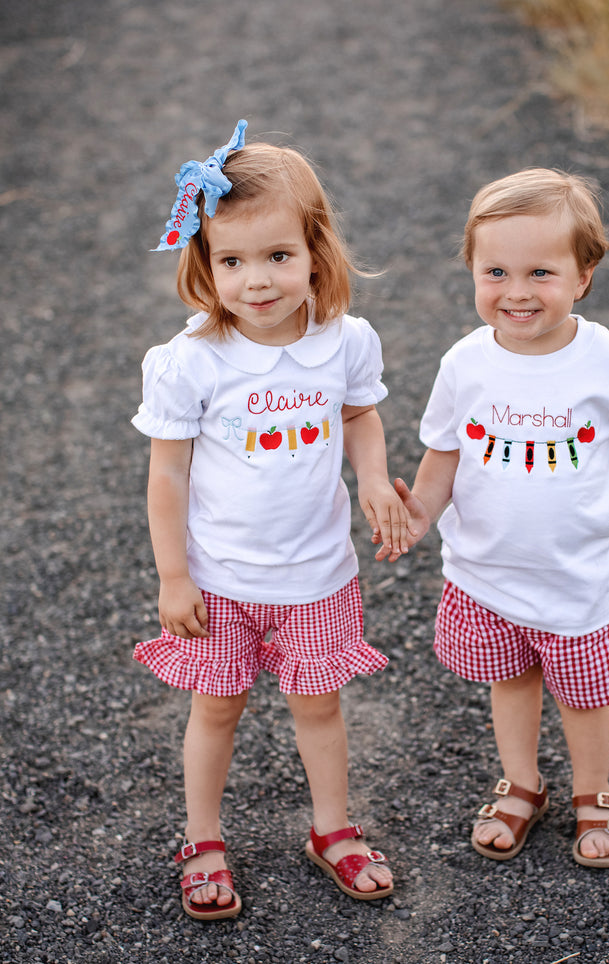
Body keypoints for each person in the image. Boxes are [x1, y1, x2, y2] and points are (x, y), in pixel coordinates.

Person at [133, 121, 408, 920]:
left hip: (316, 573)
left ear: (314, 253)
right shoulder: (191, 361)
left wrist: (370, 483)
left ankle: (332, 828)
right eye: (232, 261)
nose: (257, 280)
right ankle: (202, 837)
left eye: (278, 257)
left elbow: (360, 417)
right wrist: (174, 574)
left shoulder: (343, 341)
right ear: (205, 264)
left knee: (318, 704)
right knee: (216, 706)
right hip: (220, 576)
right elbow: (168, 472)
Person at [387, 168, 609, 868]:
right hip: (485, 571)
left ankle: (592, 793)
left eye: (540, 273)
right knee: (510, 681)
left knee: (582, 695)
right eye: (495, 271)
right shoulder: (465, 362)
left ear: (583, 275)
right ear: (471, 270)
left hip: (572, 575)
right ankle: (522, 783)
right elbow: (444, 453)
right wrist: (420, 511)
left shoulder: (606, 359)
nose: (516, 292)